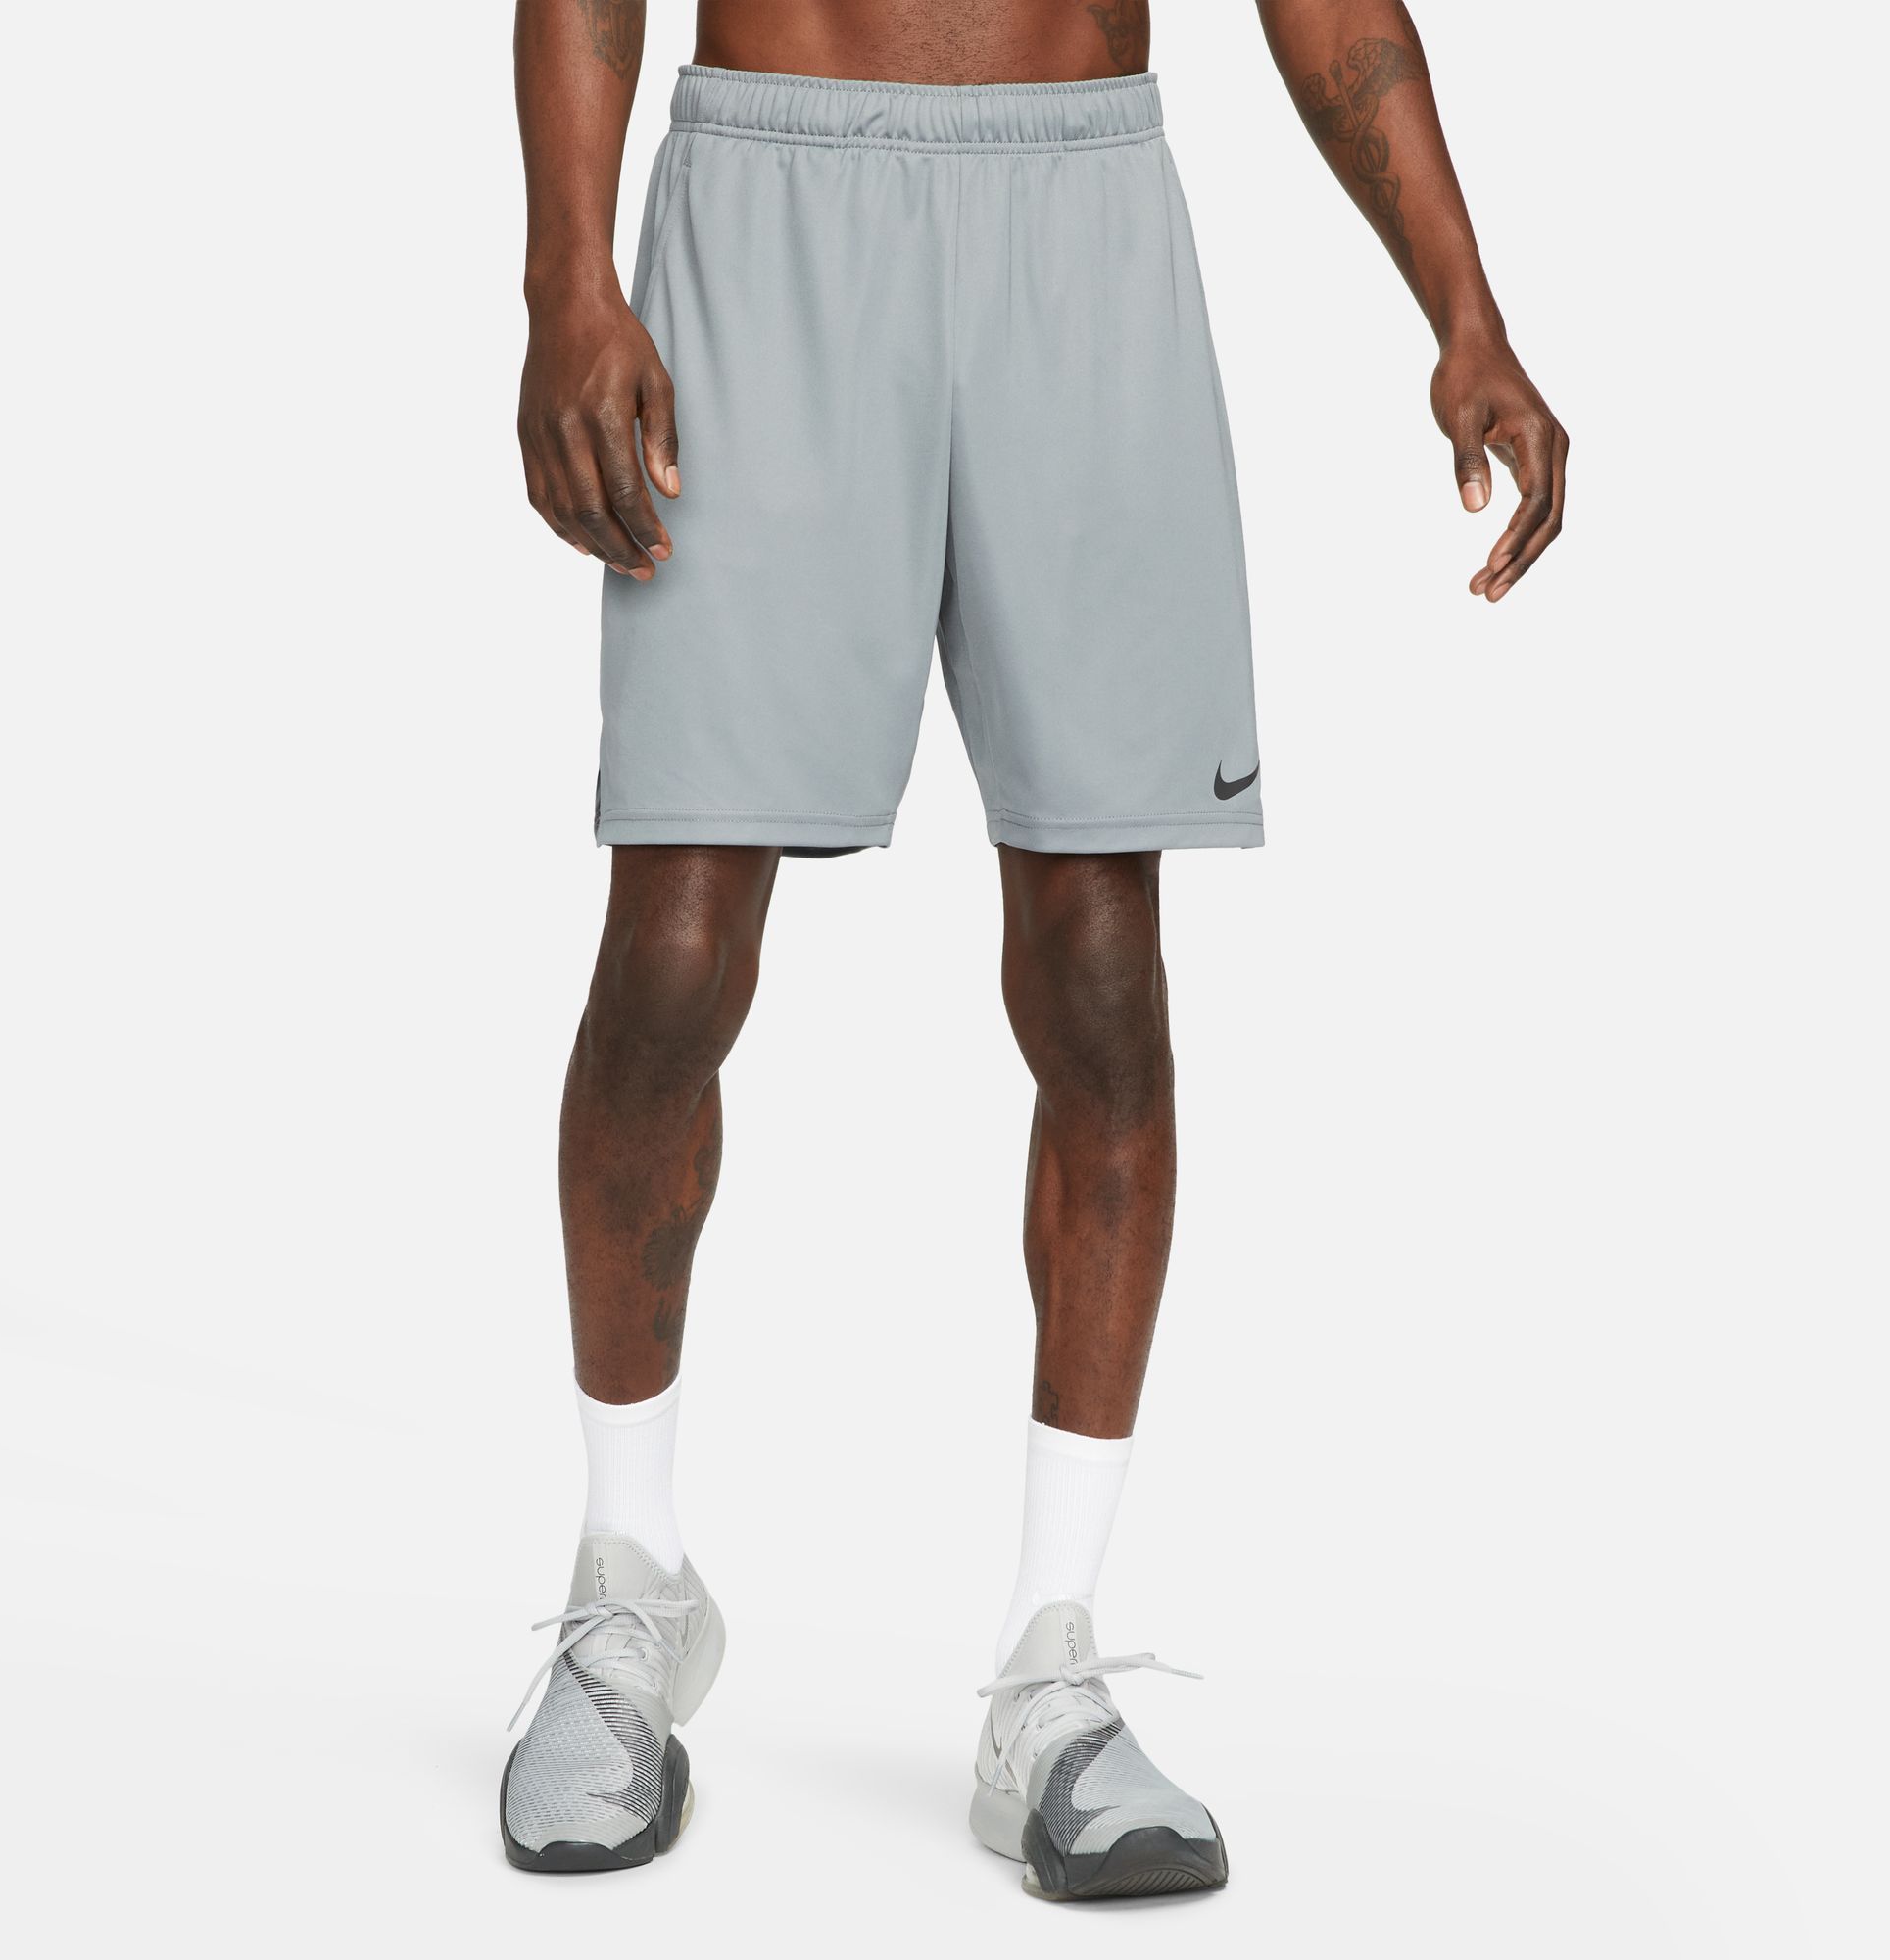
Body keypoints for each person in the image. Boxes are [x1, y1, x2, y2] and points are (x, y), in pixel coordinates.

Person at [502, 0, 1567, 1902]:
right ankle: (625, 1583)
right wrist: (565, 275)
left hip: (1081, 219)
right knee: (670, 955)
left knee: (1099, 978)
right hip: (769, 194)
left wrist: (1462, 307)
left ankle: (1051, 1672)